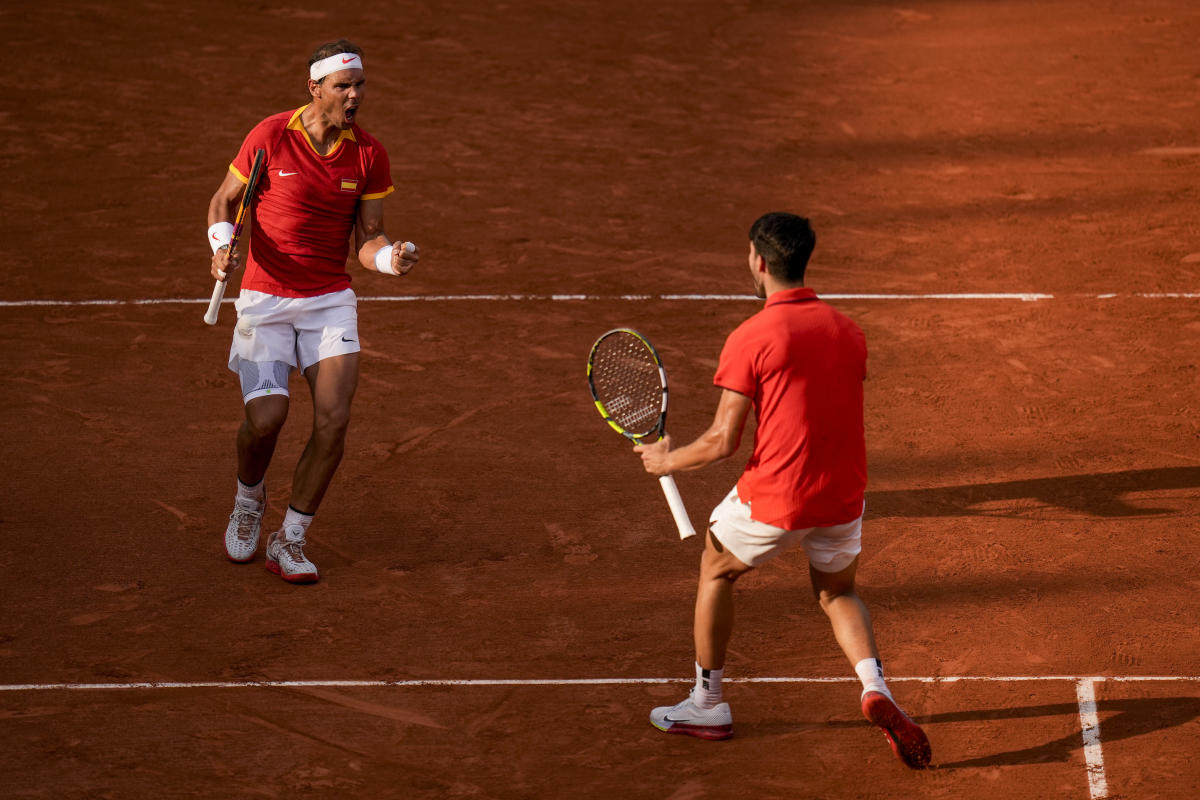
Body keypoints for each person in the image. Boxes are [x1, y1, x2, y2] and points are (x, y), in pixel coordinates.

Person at [634, 212, 931, 768]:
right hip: (843, 493)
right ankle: (876, 689)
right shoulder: (849, 330)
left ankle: (707, 703)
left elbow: (724, 440)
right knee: (837, 592)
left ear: (758, 261)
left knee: (716, 568)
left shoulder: (753, 335)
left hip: (780, 495)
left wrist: (665, 459)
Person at [207, 39, 419, 584]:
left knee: (335, 420)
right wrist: (221, 244)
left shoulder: (368, 153)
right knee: (266, 421)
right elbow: (224, 200)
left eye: (360, 85)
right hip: (264, 301)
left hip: (328, 303)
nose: (355, 95)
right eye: (344, 86)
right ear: (315, 88)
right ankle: (248, 498)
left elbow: (367, 240)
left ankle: (290, 538)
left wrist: (389, 261)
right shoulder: (270, 136)